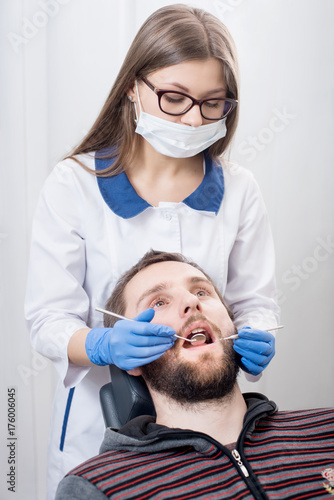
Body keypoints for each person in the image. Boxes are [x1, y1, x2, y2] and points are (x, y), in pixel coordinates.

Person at [24, 4, 280, 498]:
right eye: (173, 98)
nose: (191, 118)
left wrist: (256, 334)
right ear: (131, 87)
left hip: (205, 421)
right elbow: (47, 319)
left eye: (212, 104)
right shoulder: (75, 184)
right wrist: (101, 345)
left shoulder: (240, 189)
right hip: (98, 426)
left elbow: (255, 305)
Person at [55, 250, 334, 500]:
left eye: (202, 292)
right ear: (130, 354)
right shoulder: (97, 487)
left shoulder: (326, 430)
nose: (191, 301)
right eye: (159, 302)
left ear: (231, 323)